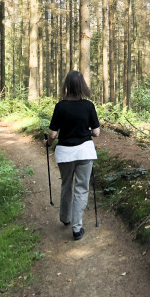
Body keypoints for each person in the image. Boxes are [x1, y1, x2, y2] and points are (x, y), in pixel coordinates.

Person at [45, 70, 100, 241]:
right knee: (81, 189)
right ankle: (77, 228)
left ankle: (65, 218)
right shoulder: (89, 106)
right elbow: (96, 132)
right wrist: (86, 131)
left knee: (66, 185)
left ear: (67, 85)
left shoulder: (60, 106)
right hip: (85, 152)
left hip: (65, 154)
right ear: (82, 85)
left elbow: (53, 134)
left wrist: (47, 144)